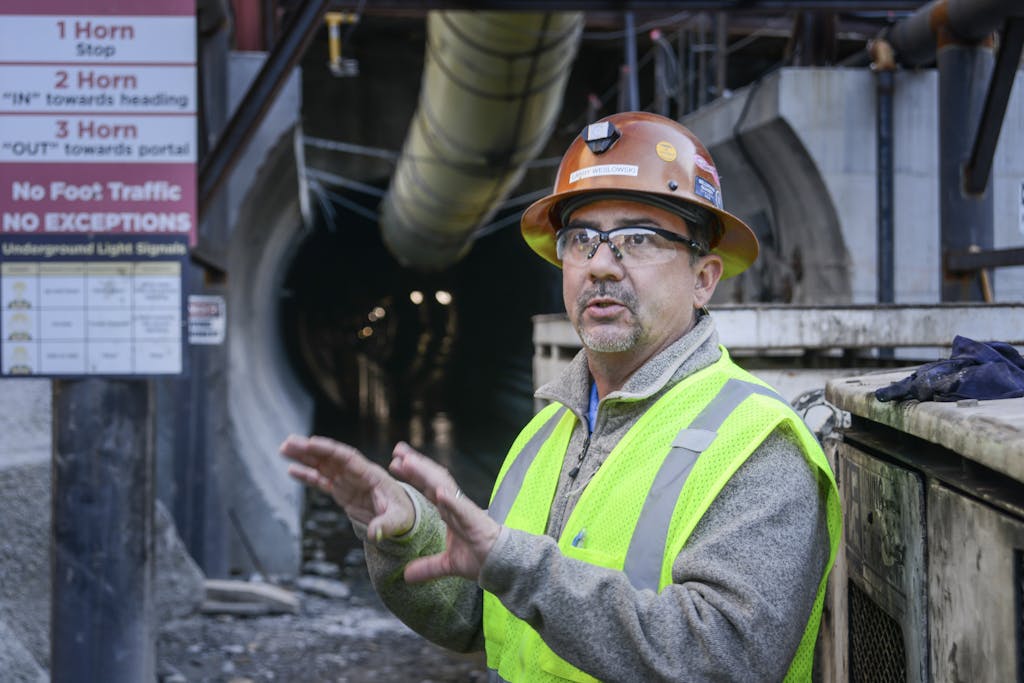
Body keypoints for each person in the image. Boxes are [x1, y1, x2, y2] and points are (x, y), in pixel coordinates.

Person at [282, 111, 841, 682]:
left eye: (638, 238)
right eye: (581, 240)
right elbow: (484, 616)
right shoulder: (549, 430)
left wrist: (517, 566)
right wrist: (407, 532)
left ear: (704, 279)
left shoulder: (755, 445)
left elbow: (725, 659)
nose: (600, 265)